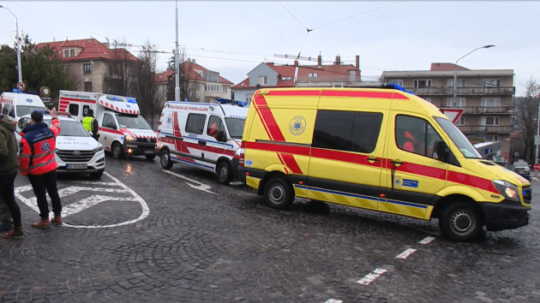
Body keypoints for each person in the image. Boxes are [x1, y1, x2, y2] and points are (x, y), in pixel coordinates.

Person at [19, 109, 63, 229]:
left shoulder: (27, 138)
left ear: (31, 121)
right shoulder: (50, 132)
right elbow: (57, 127)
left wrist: (24, 171)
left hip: (36, 172)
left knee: (41, 195)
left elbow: (24, 158)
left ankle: (44, 219)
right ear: (43, 120)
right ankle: (58, 216)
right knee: (53, 192)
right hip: (51, 169)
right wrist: (54, 116)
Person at [0, 114, 23, 239]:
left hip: (4, 171)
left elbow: (2, 152)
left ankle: (15, 227)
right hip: (10, 169)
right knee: (9, 200)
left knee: (8, 200)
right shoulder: (7, 126)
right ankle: (17, 228)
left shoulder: (1, 129)